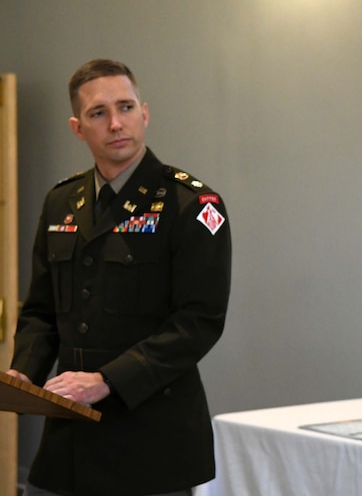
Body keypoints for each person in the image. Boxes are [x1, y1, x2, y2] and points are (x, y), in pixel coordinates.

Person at [7, 59, 232, 496]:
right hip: (69, 443)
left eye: (125, 107)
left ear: (144, 114)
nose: (115, 123)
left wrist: (108, 379)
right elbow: (41, 310)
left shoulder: (191, 204)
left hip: (151, 439)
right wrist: (23, 372)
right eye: (98, 113)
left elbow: (198, 322)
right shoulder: (60, 202)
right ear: (78, 127)